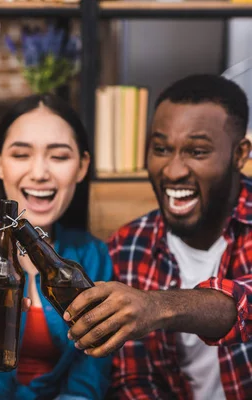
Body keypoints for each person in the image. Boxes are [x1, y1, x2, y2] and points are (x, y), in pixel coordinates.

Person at [63, 74, 252, 398]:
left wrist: (157, 307)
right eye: (161, 148)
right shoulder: (127, 247)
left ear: (239, 155)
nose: (173, 170)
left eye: (197, 151)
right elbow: (134, 378)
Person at [0, 93, 113, 399]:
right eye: (21, 155)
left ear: (82, 166)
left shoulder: (94, 256)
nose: (39, 172)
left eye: (59, 157)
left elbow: (90, 377)